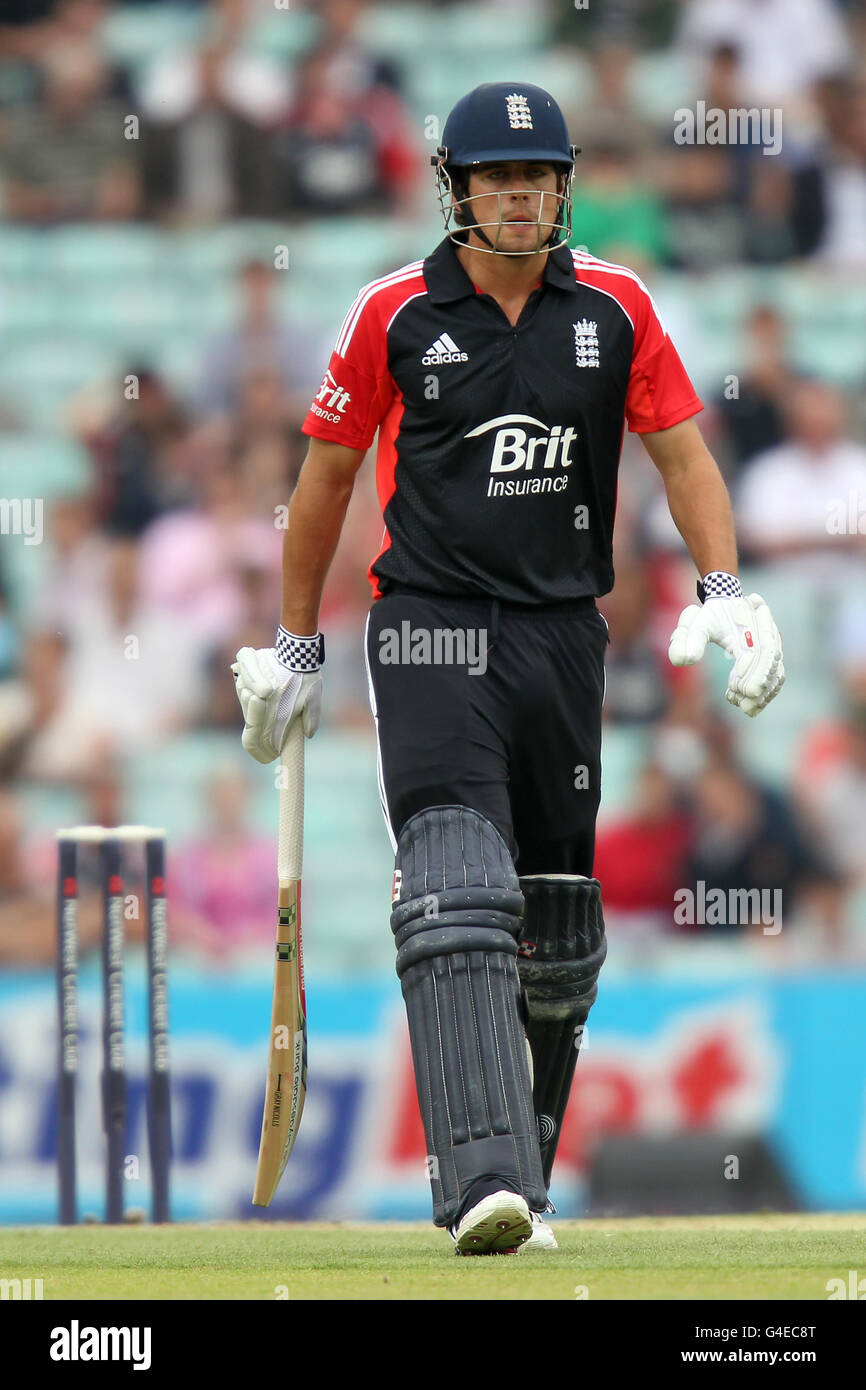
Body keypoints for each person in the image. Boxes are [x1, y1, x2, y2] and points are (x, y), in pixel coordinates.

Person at [232, 83, 785, 1254]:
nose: (524, 195)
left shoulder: (617, 307)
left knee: (557, 929)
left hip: (562, 635)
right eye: (498, 177)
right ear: (456, 190)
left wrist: (724, 588)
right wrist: (294, 644)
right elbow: (324, 482)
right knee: (454, 884)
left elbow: (682, 456)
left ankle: (523, 1186)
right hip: (431, 626)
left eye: (540, 175)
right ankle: (475, 1179)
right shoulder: (391, 314)